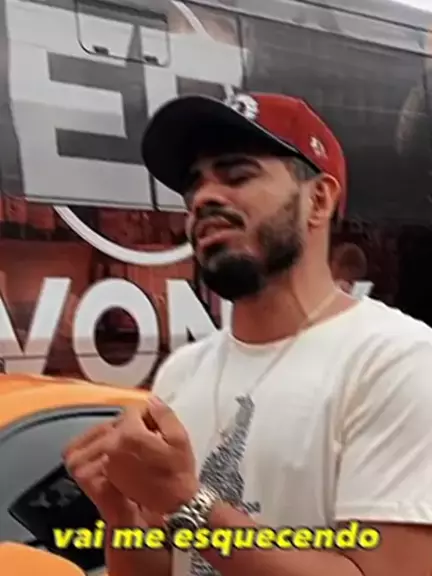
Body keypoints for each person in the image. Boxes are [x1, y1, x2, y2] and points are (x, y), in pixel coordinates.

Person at [64, 91, 432, 576]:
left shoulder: (397, 359)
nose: (204, 199)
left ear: (318, 200)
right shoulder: (182, 372)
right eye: (193, 187)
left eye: (237, 176)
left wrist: (188, 503)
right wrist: (121, 518)